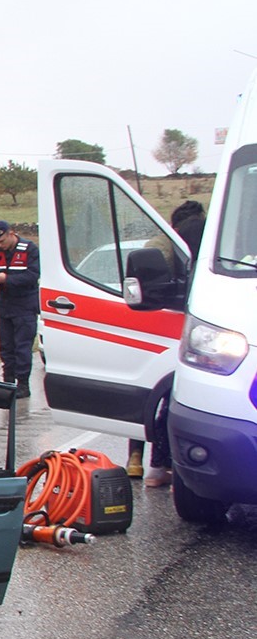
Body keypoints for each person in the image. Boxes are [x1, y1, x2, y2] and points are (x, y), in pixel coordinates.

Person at [140, 200, 208, 488]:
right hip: (211, 334)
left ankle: (156, 464)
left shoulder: (168, 243)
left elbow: (145, 269)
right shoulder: (219, 238)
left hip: (180, 327)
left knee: (165, 395)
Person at [0, 220, 40, 399]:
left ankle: (23, 384)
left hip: (25, 306)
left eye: (1, 241)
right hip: (5, 305)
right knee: (6, 347)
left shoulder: (29, 249)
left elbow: (33, 275)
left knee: (22, 347)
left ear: (11, 233)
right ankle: (8, 381)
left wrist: (7, 279)